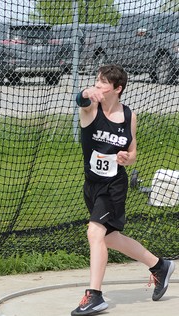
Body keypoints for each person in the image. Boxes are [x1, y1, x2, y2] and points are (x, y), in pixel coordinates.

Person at [71, 64, 176, 316]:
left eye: (103, 84)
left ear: (117, 89)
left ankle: (94, 295)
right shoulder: (91, 110)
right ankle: (159, 266)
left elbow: (133, 151)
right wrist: (86, 92)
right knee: (109, 238)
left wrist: (128, 159)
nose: (98, 87)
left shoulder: (129, 115)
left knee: (95, 233)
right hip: (92, 184)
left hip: (114, 186)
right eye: (96, 82)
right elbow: (81, 99)